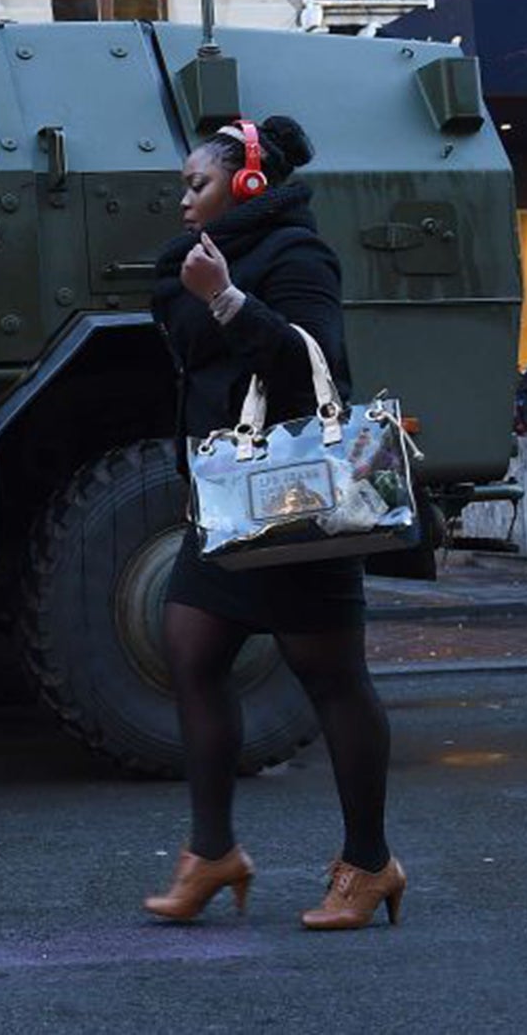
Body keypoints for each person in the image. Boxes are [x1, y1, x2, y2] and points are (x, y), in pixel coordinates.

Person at [144, 115, 405, 931]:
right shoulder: (195, 262)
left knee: (330, 678)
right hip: (229, 498)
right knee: (189, 649)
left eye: (199, 184)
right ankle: (212, 852)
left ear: (248, 183)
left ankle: (369, 864)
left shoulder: (296, 255)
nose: (184, 199)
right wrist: (206, 292)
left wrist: (224, 300)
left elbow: (312, 362)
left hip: (299, 497)